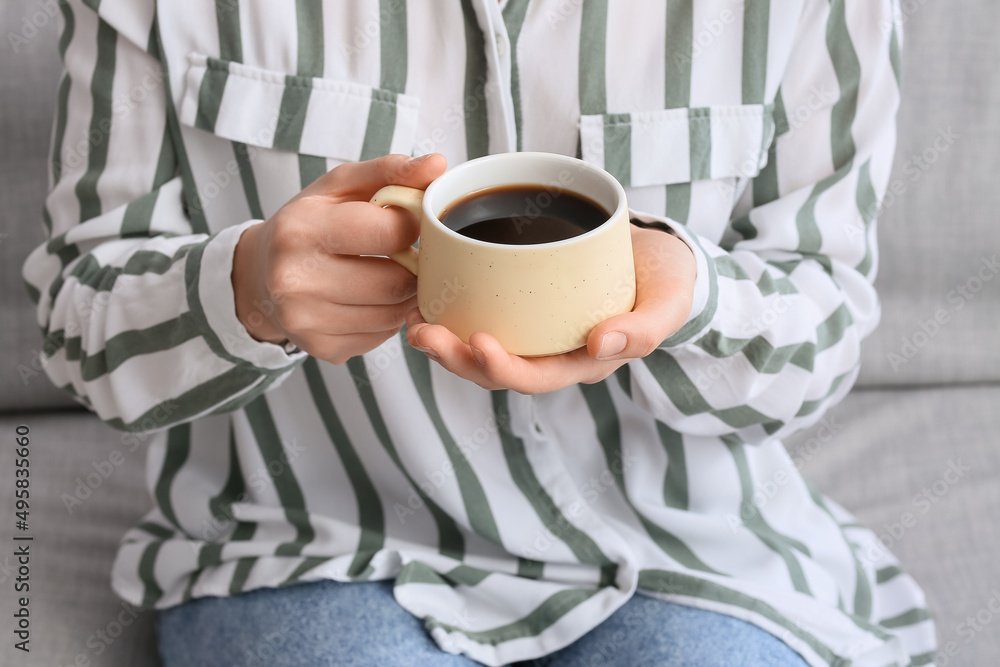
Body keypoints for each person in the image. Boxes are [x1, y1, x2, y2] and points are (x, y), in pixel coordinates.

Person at [24, 0, 934, 665]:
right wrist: (246, 291)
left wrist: (695, 297)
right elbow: (78, 330)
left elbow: (820, 330)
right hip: (307, 541)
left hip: (686, 552)